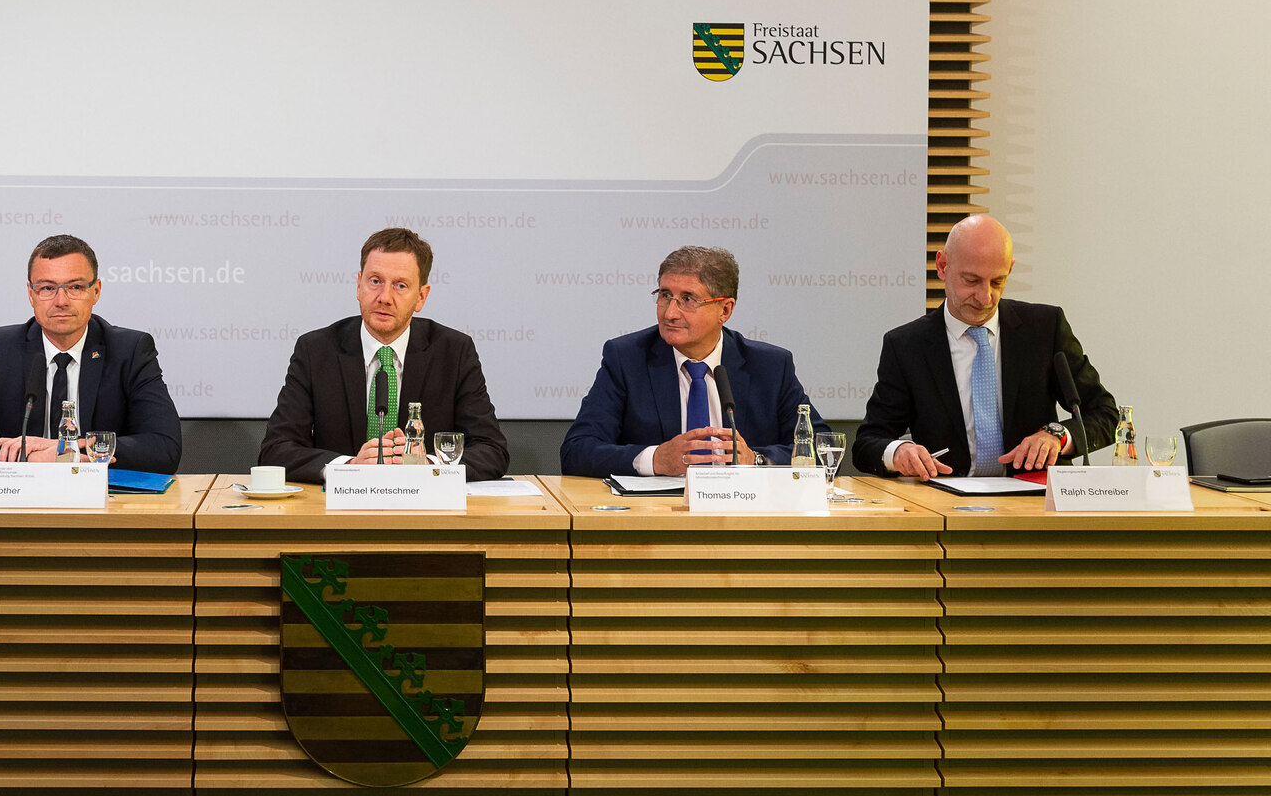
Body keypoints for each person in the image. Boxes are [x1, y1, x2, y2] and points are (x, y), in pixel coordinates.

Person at [852, 214, 1118, 479]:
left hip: (1033, 504)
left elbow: (1105, 414)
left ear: (1010, 269)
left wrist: (1058, 436)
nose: (985, 296)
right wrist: (898, 451)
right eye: (971, 281)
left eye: (997, 281)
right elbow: (868, 442)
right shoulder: (907, 346)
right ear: (942, 266)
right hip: (946, 505)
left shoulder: (1045, 329)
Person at [259, 227, 509, 483]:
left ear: (421, 297)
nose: (384, 298)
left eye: (400, 286)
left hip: (426, 514)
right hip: (338, 514)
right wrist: (348, 466)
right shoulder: (316, 350)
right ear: (359, 285)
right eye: (375, 281)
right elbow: (276, 450)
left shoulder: (453, 352)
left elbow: (492, 451)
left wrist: (428, 465)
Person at [561, 245, 827, 476]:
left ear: (725, 310)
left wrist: (756, 460)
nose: (670, 313)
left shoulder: (770, 366)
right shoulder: (627, 358)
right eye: (665, 296)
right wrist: (656, 459)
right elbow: (577, 450)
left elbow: (820, 447)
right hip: (656, 516)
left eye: (687, 299)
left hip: (744, 514)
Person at [0, 234, 181, 474]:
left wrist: (68, 452)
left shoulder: (130, 350)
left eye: (75, 287)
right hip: (20, 505)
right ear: (31, 294)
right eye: (48, 288)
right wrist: (29, 458)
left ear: (96, 291)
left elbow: (164, 447)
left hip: (104, 504)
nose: (61, 301)